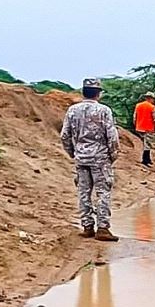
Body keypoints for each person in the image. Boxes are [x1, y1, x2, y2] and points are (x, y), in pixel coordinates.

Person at [60, 78, 120, 242]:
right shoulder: (104, 111)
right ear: (98, 93)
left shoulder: (72, 110)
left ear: (83, 92)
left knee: (83, 192)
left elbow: (64, 135)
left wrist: (73, 153)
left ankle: (87, 226)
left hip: (81, 157)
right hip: (100, 158)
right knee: (103, 192)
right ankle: (102, 228)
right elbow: (112, 136)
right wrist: (112, 156)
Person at [133, 92, 155, 167]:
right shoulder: (152, 107)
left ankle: (148, 159)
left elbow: (134, 117)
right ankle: (145, 160)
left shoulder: (138, 106)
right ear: (150, 98)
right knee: (147, 144)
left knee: (145, 143)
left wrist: (136, 125)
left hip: (139, 128)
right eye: (153, 99)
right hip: (148, 128)